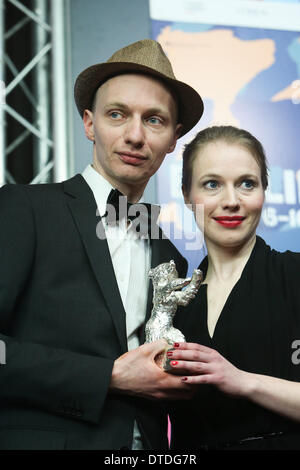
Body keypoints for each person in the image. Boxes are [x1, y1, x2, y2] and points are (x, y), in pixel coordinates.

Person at [0, 39, 204, 450]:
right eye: (117, 114)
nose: (134, 135)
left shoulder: (171, 254)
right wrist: (107, 377)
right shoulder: (24, 208)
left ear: (174, 139)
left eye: (154, 120)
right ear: (89, 124)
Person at [167, 125, 300, 450]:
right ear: (187, 195)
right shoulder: (175, 302)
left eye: (246, 184)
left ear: (264, 191)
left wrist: (241, 380)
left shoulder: (293, 274)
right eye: (212, 184)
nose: (231, 201)